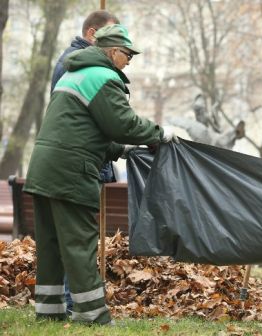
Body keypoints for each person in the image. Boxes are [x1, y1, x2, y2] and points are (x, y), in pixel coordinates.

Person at [24, 24, 178, 325]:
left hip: (44, 169)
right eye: (127, 54)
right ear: (111, 51)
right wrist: (161, 133)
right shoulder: (104, 78)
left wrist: (119, 150)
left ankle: (49, 311)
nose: (130, 60)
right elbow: (124, 124)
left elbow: (81, 129)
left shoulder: (73, 74)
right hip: (71, 172)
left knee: (51, 243)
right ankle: (92, 315)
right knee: (79, 243)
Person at [49, 9, 119, 315]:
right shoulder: (78, 65)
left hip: (79, 161)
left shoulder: (81, 62)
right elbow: (99, 119)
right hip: (77, 164)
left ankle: (68, 302)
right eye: (111, 37)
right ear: (92, 35)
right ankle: (74, 302)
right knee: (78, 240)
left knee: (76, 238)